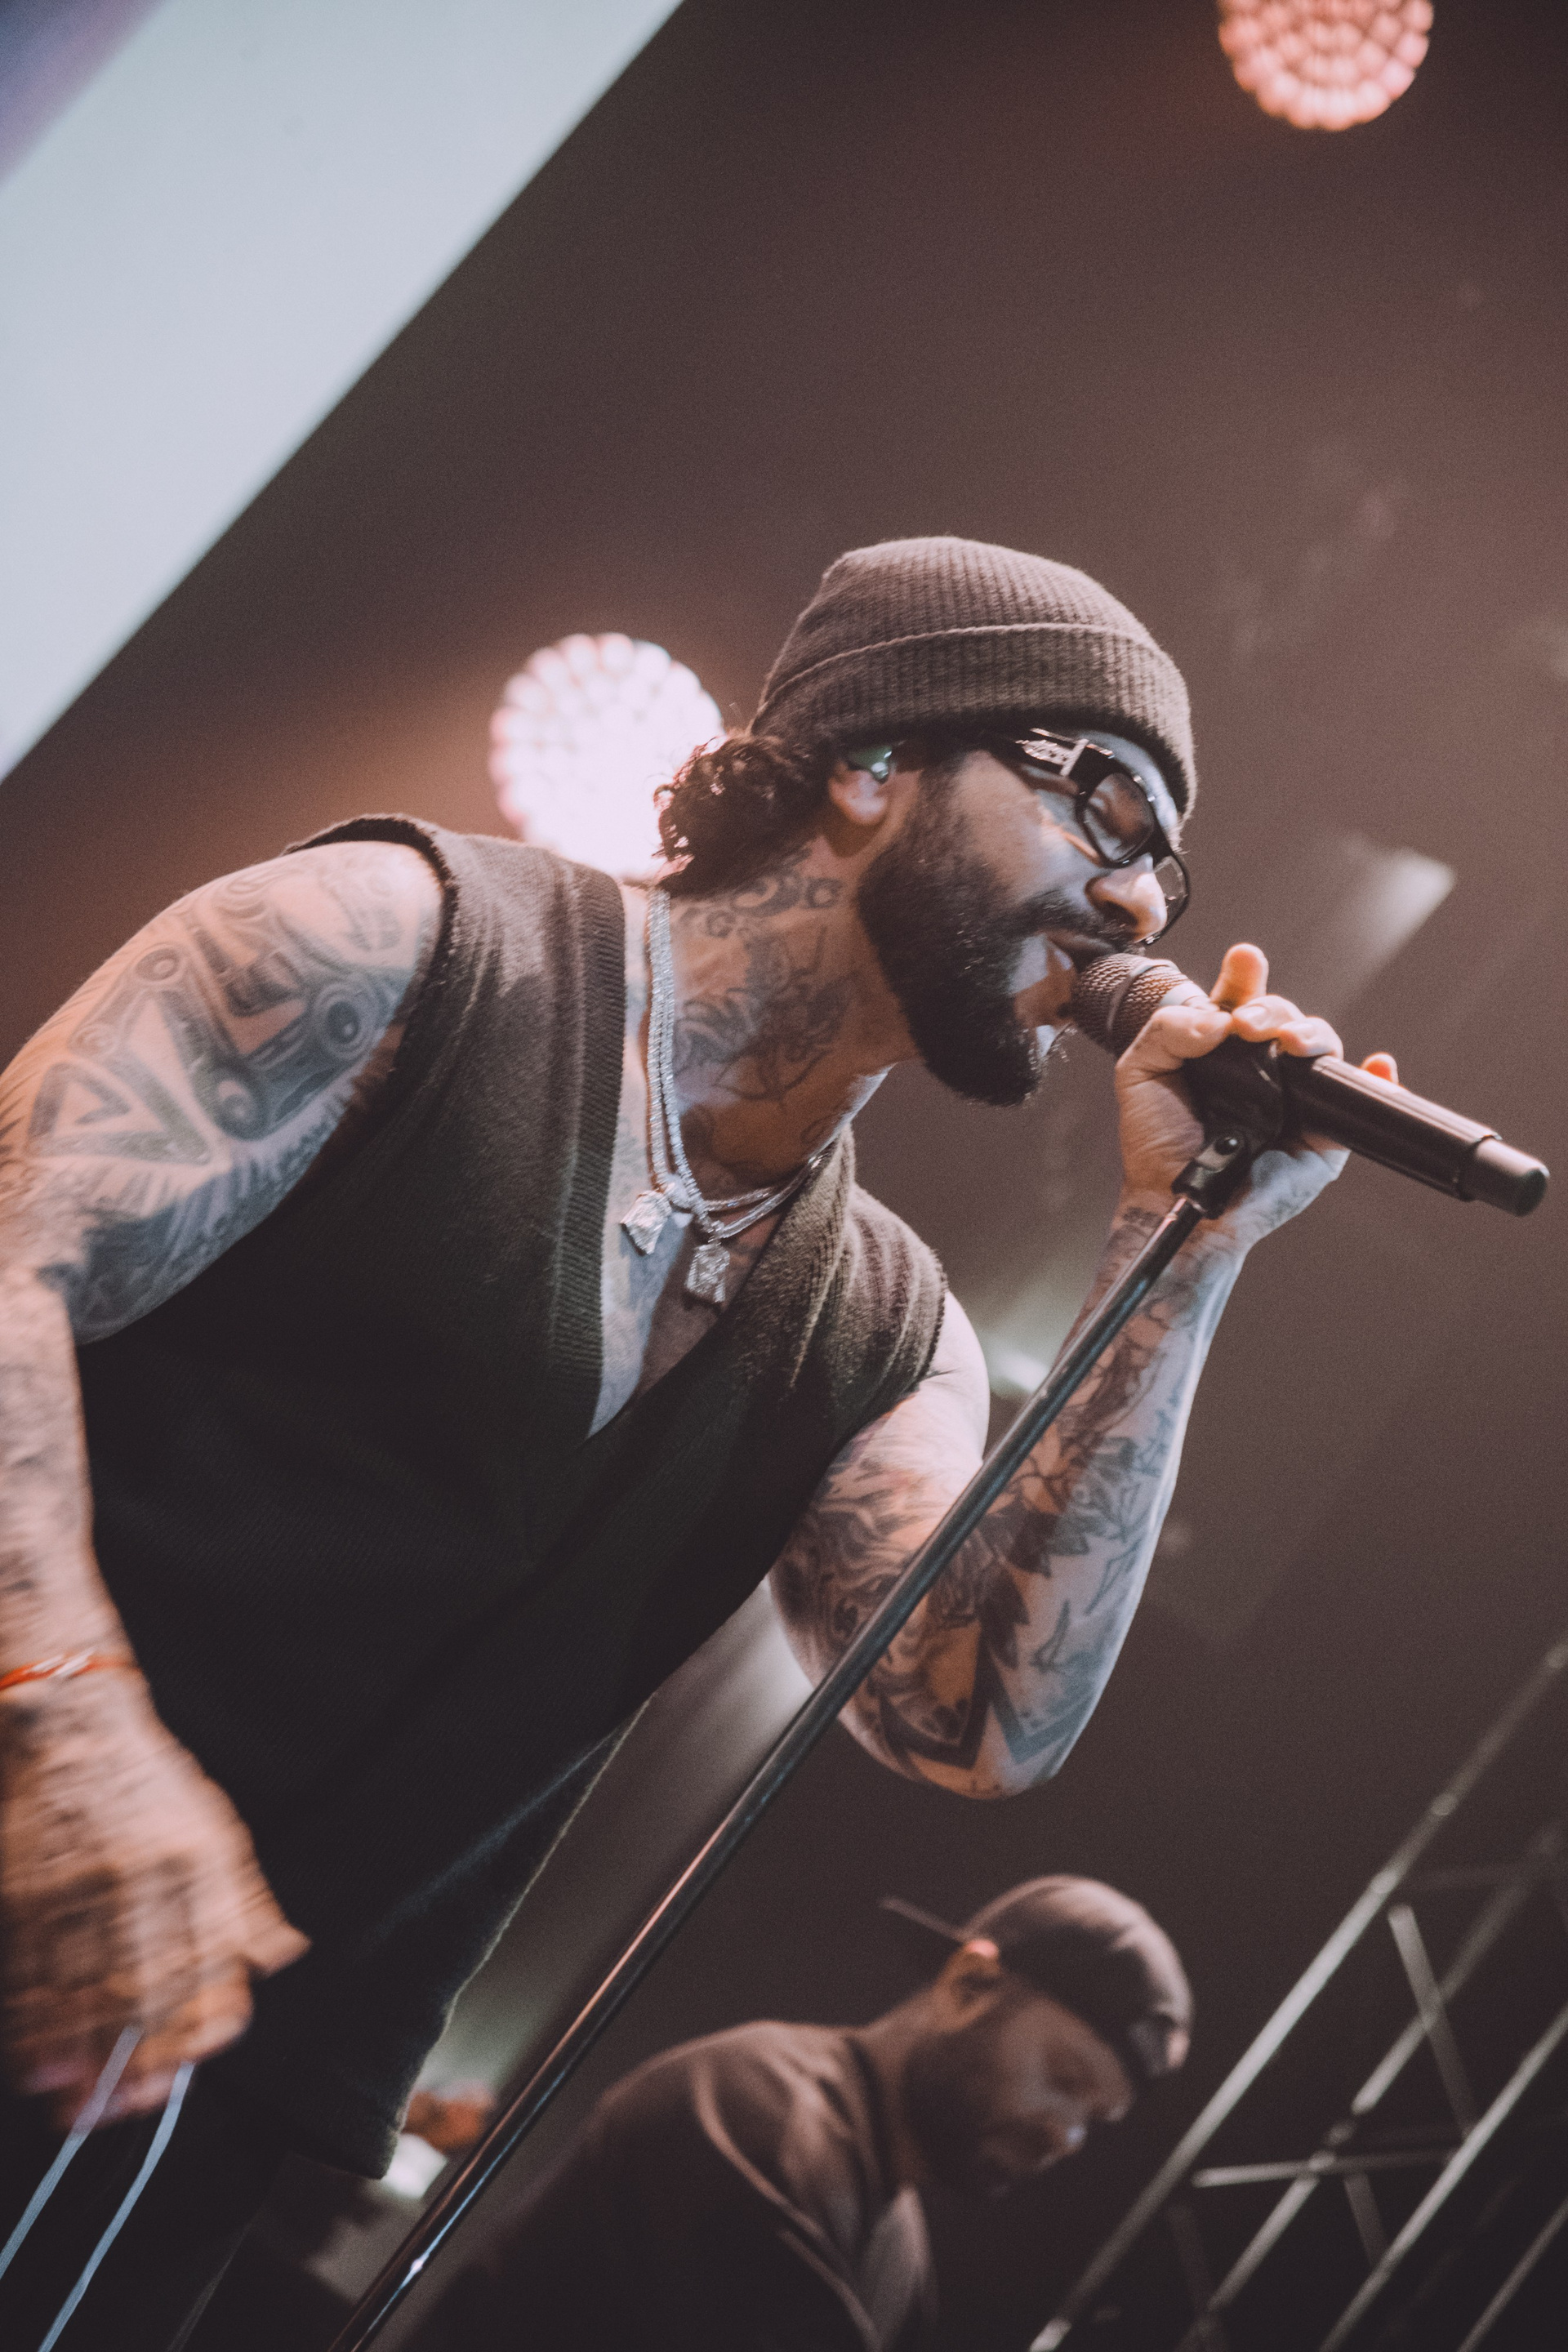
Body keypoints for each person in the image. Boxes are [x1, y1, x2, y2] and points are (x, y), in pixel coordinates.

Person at [0, 537, 1393, 2345]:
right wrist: (64, 1732)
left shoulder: (883, 1329)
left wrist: (1183, 1250)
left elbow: (976, 1719)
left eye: (1167, 867)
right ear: (873, 761)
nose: (1140, 904)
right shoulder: (401, 943)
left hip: (196, 2109)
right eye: (1106, 807)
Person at [415, 1875, 1191, 2352]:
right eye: (1064, 2078)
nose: (1065, 2134)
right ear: (967, 1986)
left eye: (1094, 2120)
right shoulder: (752, 2114)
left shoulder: (903, 2256)